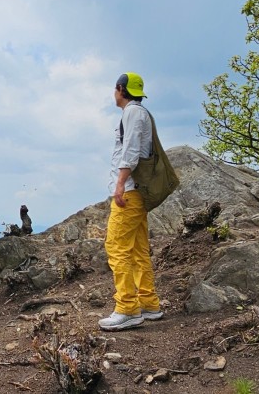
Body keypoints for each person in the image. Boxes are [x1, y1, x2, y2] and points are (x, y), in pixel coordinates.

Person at [98, 71, 164, 331]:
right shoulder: (138, 113)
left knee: (116, 247)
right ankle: (148, 303)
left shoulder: (133, 113)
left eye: (116, 89)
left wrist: (120, 184)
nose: (114, 93)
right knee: (137, 249)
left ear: (121, 89)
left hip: (130, 190)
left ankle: (127, 308)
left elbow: (132, 150)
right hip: (136, 191)